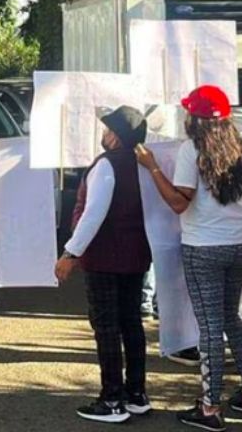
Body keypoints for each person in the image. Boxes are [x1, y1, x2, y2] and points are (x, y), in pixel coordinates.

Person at [136, 85, 242, 429]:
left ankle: (209, 408)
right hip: (241, 245)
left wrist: (152, 167)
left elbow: (179, 203)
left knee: (210, 329)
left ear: (196, 118)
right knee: (230, 317)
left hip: (203, 249)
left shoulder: (193, 150)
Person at [56, 105, 152, 424]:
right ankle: (136, 393)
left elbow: (92, 214)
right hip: (136, 253)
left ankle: (112, 399)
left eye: (107, 128)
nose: (103, 132)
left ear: (116, 136)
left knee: (107, 326)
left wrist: (70, 254)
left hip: (105, 257)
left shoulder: (106, 166)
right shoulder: (143, 163)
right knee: (131, 323)